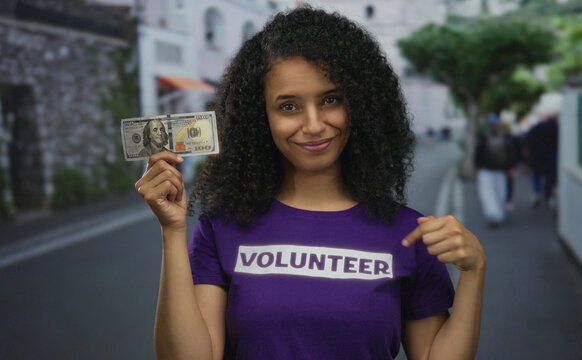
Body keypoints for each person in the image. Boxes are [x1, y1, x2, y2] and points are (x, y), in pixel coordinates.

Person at [135, 7, 485, 360]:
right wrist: (172, 231)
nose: (314, 125)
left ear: (360, 105)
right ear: (261, 118)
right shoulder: (221, 227)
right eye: (289, 107)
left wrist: (473, 272)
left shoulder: (411, 233)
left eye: (331, 100)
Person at [474, 114, 517, 227]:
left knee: (487, 193)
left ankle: (492, 215)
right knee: (500, 193)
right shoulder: (506, 135)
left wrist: (477, 167)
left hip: (486, 169)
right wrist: (511, 167)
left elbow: (478, 152)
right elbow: (511, 153)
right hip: (501, 170)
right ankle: (498, 214)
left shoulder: (483, 136)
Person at [525, 114, 559, 208]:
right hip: (550, 154)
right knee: (549, 176)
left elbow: (528, 139)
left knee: (537, 174)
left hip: (538, 154)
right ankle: (548, 197)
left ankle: (537, 193)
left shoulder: (537, 127)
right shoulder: (555, 127)